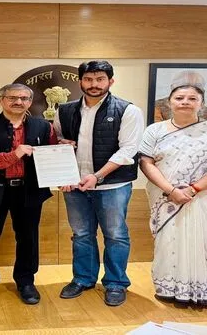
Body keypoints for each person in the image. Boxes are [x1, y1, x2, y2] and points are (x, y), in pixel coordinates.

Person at [138, 84, 207, 307]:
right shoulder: (154, 131)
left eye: (192, 98)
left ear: (201, 103)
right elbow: (146, 163)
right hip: (166, 197)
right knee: (168, 242)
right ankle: (169, 288)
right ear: (169, 102)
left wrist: (193, 189)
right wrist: (171, 190)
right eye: (179, 98)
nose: (185, 102)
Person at [54, 60, 145, 306]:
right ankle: (83, 279)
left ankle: (116, 283)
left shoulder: (128, 111)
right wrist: (61, 147)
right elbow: (58, 139)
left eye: (100, 79)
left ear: (110, 81)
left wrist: (97, 176)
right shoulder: (65, 110)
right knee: (81, 234)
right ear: (80, 81)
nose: (94, 84)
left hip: (112, 186)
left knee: (115, 235)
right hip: (75, 185)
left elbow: (128, 150)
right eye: (88, 79)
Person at [0, 83, 57, 306]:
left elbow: (51, 153)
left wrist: (63, 148)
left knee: (28, 238)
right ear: (1, 100)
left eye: (24, 98)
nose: (18, 102)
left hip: (29, 190)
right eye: (12, 97)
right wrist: (13, 155)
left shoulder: (44, 127)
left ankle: (26, 281)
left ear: (30, 102)